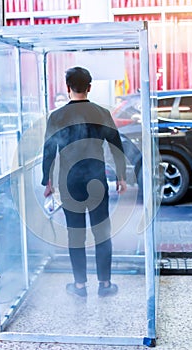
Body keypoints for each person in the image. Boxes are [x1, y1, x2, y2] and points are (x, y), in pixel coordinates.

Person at [42, 67, 127, 298]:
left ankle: (79, 287)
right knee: (102, 232)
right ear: (89, 87)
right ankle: (105, 285)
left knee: (75, 234)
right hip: (96, 179)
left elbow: (49, 150)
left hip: (69, 183)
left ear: (67, 87)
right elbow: (116, 145)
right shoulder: (101, 113)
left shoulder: (57, 116)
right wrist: (121, 176)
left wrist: (46, 181)